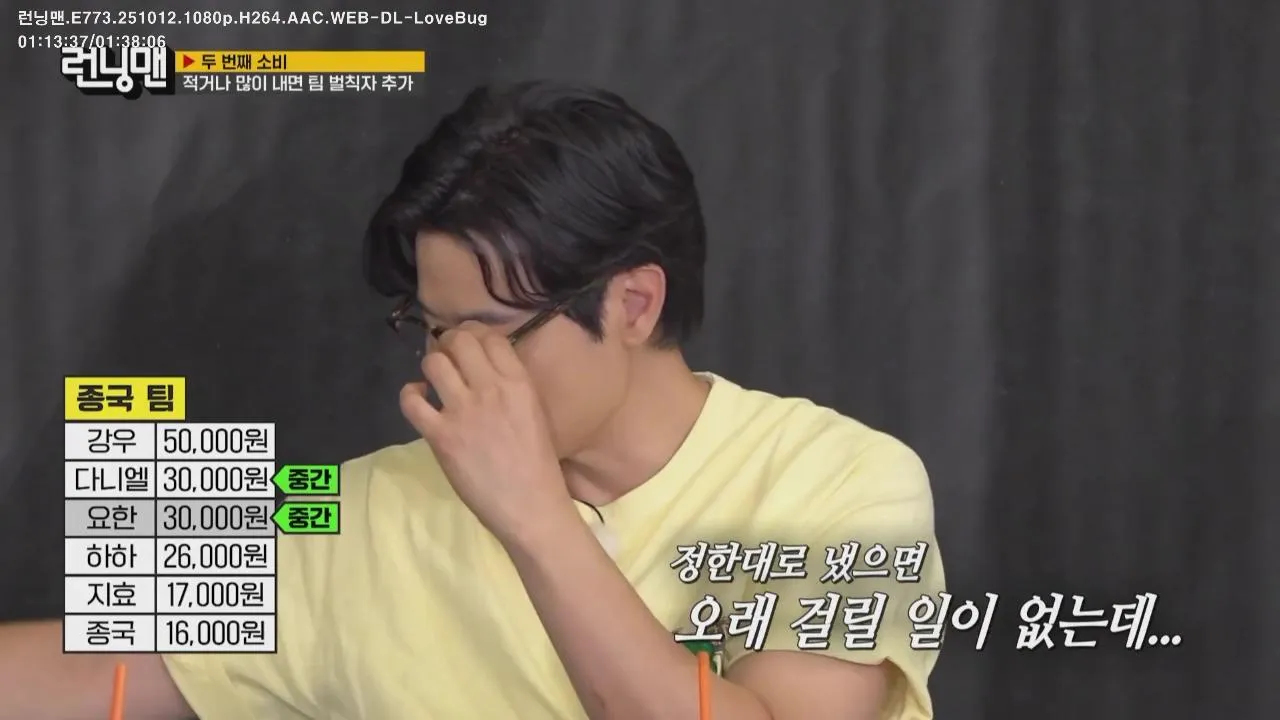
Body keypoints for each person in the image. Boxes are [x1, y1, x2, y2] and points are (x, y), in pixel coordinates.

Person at [0, 81, 943, 720]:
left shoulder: (840, 482)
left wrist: (532, 515)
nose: (445, 369)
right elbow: (97, 671)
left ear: (633, 303)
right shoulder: (364, 510)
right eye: (431, 327)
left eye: (490, 331)